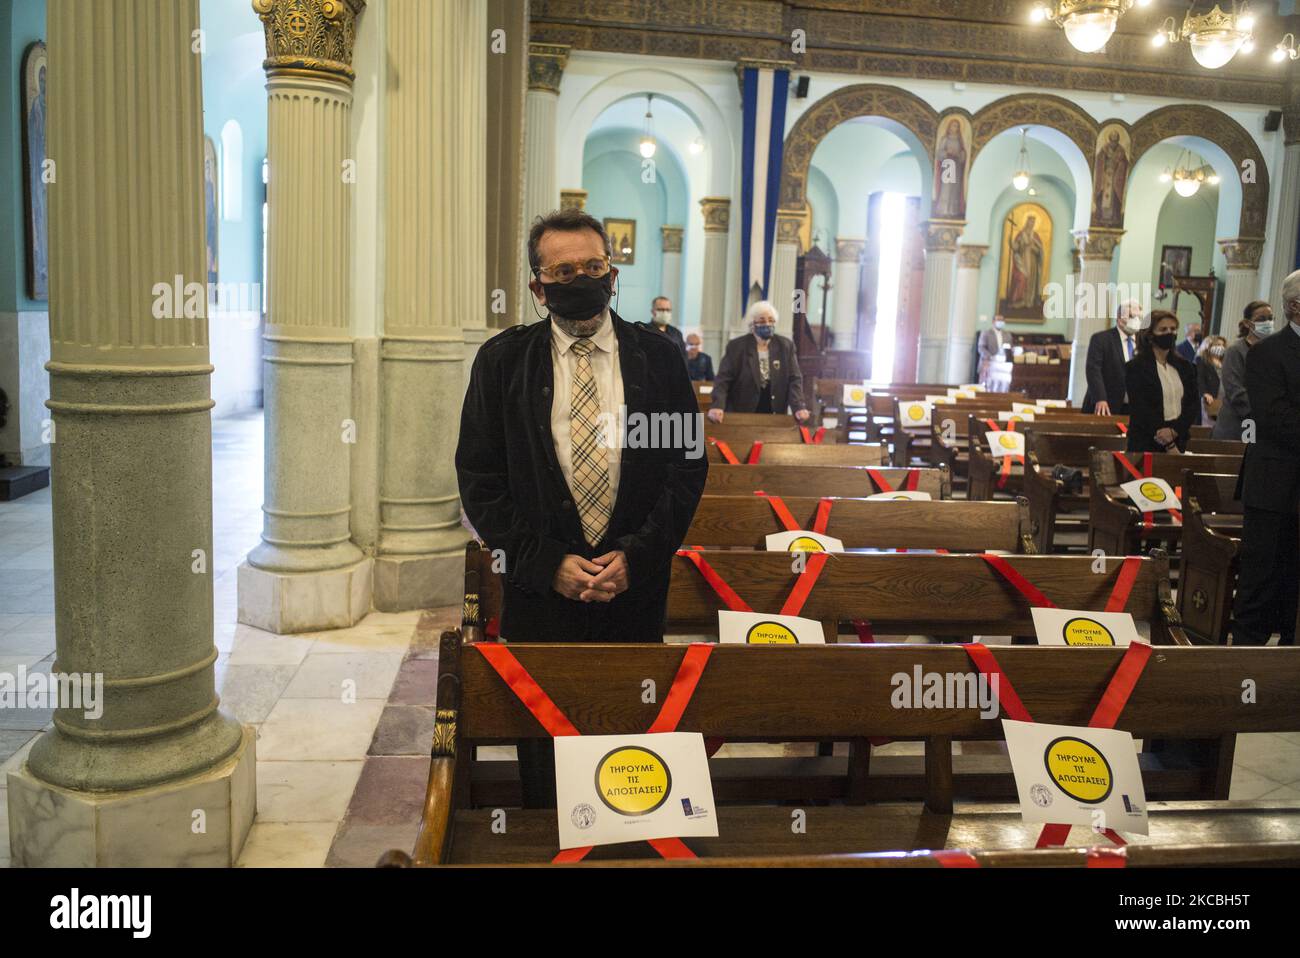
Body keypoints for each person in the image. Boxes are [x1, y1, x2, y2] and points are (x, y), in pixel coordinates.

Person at [456, 209, 708, 806]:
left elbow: (684, 469)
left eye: (593, 266)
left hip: (635, 592)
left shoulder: (659, 358)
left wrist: (638, 557)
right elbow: (481, 478)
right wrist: (545, 563)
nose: (582, 278)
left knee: (630, 742)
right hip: (540, 596)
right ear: (539, 288)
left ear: (613, 274)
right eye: (564, 271)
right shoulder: (503, 363)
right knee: (547, 750)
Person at [1233, 270, 1300, 646]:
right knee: (1261, 584)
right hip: (1275, 487)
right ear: (1295, 307)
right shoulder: (1267, 354)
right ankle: (1244, 673)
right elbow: (1274, 418)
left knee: (1295, 590)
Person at [706, 301, 809, 423]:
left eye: (771, 320)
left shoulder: (785, 346)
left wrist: (799, 406)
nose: (767, 324)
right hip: (741, 411)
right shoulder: (737, 347)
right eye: (762, 321)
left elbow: (794, 378)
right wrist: (718, 405)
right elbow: (723, 379)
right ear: (752, 324)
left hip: (775, 411)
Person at [1123, 309, 1198, 453]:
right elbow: (1141, 408)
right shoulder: (1136, 367)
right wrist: (1167, 441)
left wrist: (1174, 431)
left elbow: (1191, 404)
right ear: (1150, 335)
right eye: (1163, 329)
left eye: (1173, 329)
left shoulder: (1185, 367)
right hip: (1146, 442)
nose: (1169, 333)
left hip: (1178, 438)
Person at [1213, 300, 1274, 440]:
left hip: (1266, 426)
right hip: (1237, 424)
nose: (1268, 323)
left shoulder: (1273, 351)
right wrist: (1263, 415)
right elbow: (1235, 391)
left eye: (1270, 319)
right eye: (1261, 319)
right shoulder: (1236, 351)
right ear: (1247, 323)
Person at [1083, 300, 1143, 415]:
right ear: (1119, 318)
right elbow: (1093, 370)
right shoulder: (1101, 339)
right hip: (1105, 405)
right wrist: (1100, 398)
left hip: (1133, 407)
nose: (1135, 321)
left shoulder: (1144, 342)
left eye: (1139, 317)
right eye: (1131, 316)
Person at [1196, 334, 1227, 426]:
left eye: (1222, 345)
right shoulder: (1201, 360)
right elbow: (1199, 378)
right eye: (1217, 345)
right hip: (1209, 398)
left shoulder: (1225, 362)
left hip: (1223, 399)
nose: (1220, 347)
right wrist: (1204, 393)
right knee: (1208, 426)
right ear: (1209, 346)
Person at [977, 314, 1009, 388]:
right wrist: (990, 356)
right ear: (993, 321)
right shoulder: (986, 333)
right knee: (986, 387)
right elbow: (981, 347)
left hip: (1002, 365)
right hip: (988, 363)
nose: (1000, 322)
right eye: (998, 320)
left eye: (1002, 320)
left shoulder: (1007, 335)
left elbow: (1009, 348)